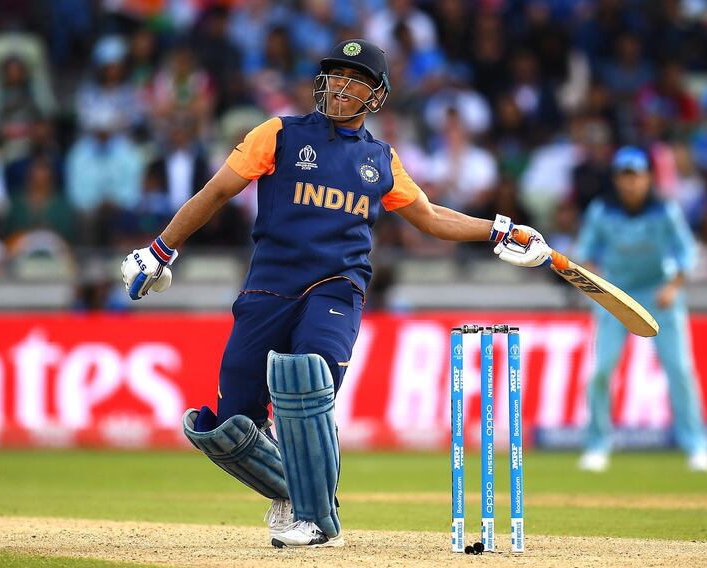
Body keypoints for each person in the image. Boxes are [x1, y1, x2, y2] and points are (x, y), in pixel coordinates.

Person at [120, 39, 550, 548]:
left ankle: (318, 521)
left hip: (336, 286)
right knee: (228, 427)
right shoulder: (278, 133)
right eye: (336, 75)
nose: (342, 86)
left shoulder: (380, 159)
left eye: (356, 79)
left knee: (307, 380)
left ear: (377, 95)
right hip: (268, 287)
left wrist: (499, 230)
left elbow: (432, 218)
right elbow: (215, 192)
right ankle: (294, 494)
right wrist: (160, 249)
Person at [577, 146, 707, 474]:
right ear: (616, 180)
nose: (630, 184)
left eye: (636, 177)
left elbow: (686, 251)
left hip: (659, 294)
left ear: (647, 178)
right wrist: (594, 279)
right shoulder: (601, 211)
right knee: (600, 370)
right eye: (624, 178)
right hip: (615, 296)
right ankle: (597, 445)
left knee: (680, 369)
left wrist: (672, 287)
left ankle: (697, 445)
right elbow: (587, 251)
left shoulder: (664, 209)